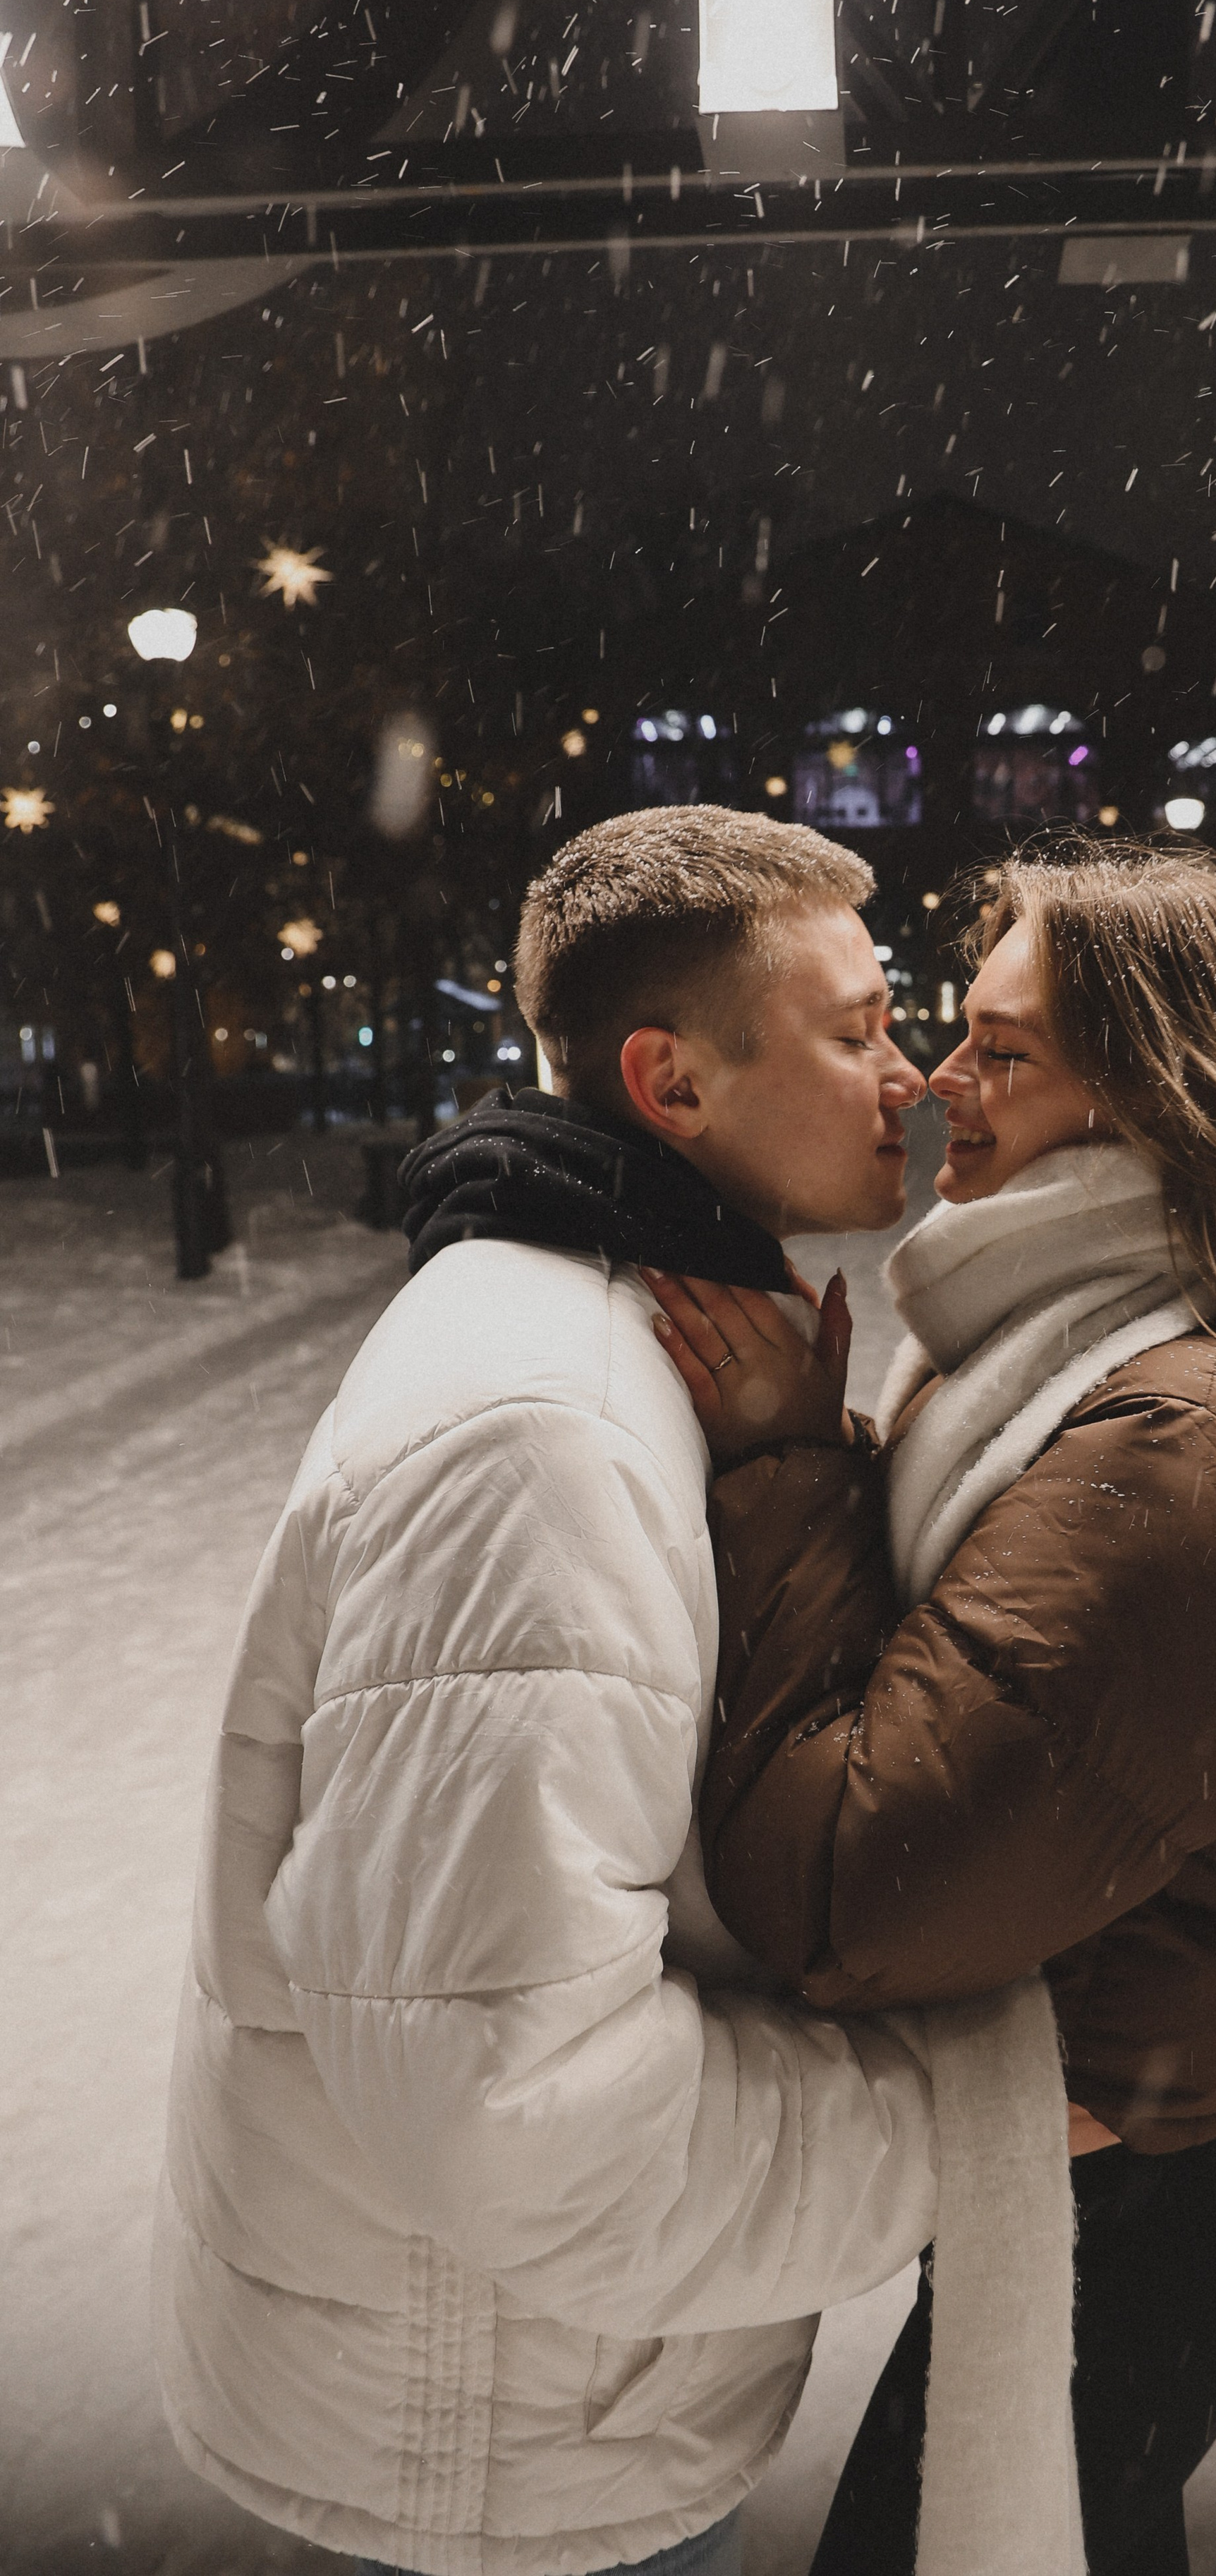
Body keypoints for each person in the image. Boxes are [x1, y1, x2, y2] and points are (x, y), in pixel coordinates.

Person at [152, 808, 951, 2576]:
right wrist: (956, 2124)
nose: (913, 1073)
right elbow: (521, 2123)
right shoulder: (553, 1428)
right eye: (857, 1029)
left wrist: (796, 1477)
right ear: (670, 1084)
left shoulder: (619, 1343)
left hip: (525, 2389)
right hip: (500, 2439)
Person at [645, 840, 1216, 2576]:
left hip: (1124, 2226)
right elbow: (1006, 1653)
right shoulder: (1089, 1351)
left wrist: (787, 1465)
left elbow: (850, 1886)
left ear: (1159, 1099)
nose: (941, 1083)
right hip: (1101, 2180)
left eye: (1000, 1052)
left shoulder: (1190, 1451)